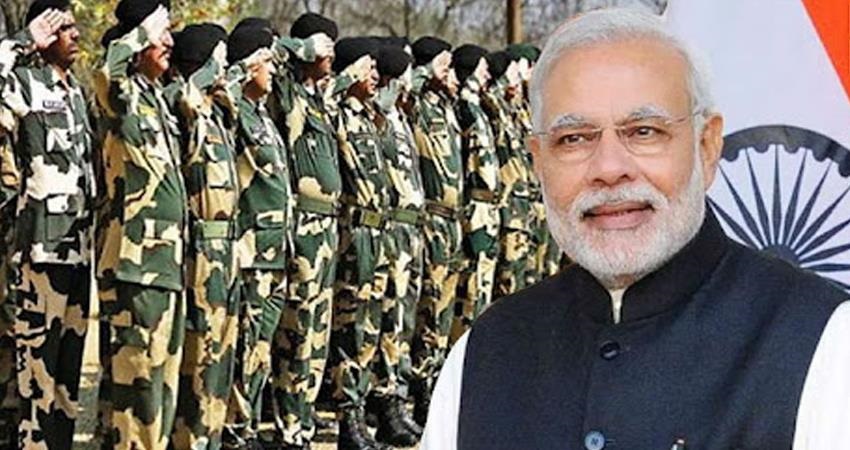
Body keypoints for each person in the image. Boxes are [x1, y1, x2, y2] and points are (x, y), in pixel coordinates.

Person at [421, 8, 850, 450]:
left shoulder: (825, 345)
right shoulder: (485, 354)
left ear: (707, 147)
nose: (609, 168)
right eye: (574, 138)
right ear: (538, 161)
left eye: (644, 132)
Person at [0, 2, 93, 448]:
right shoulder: (23, 83)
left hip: (79, 249)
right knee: (37, 376)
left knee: (67, 382)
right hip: (41, 250)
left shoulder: (76, 93)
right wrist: (21, 41)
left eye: (74, 26)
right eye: (62, 28)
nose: (74, 35)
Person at [93, 1, 186, 448]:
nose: (169, 42)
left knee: (162, 385)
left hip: (166, 263)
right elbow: (107, 72)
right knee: (139, 383)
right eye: (161, 33)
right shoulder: (123, 96)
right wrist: (142, 30)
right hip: (136, 264)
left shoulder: (156, 101)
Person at [265, 12, 341, 449]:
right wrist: (299, 48)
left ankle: (305, 420)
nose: (330, 51)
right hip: (304, 227)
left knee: (318, 330)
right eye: (323, 44)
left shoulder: (318, 100)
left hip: (327, 227)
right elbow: (269, 55)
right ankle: (289, 426)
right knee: (297, 328)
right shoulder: (289, 92)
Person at [167, 23, 243, 450]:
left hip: (226, 250)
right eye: (221, 59)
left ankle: (209, 439)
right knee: (199, 355)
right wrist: (195, 85)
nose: (227, 69)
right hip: (200, 251)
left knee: (220, 360)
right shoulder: (183, 107)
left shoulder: (216, 113)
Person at [224, 22, 293, 448]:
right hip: (250, 251)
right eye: (267, 61)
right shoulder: (235, 110)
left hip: (274, 250)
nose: (274, 70)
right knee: (245, 344)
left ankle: (247, 426)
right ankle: (235, 431)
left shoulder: (264, 114)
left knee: (260, 349)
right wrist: (241, 68)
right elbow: (215, 93)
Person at [325, 36, 392, 450]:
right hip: (354, 235)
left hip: (378, 232)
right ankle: (347, 416)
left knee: (370, 325)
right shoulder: (336, 112)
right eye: (367, 67)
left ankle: (362, 407)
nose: (375, 75)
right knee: (350, 327)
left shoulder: (369, 117)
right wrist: (343, 79)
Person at [367, 40, 426, 446]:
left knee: (404, 319)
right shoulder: (377, 118)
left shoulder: (402, 116)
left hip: (412, 230)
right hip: (388, 232)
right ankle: (385, 403)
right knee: (386, 319)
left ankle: (399, 398)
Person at [407, 36, 464, 426]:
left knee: (444, 310)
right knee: (429, 308)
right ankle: (421, 387)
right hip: (432, 220)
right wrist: (425, 71)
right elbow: (405, 88)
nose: (450, 72)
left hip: (453, 220)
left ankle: (435, 382)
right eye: (444, 65)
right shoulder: (417, 105)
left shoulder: (445, 106)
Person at [449, 44, 501, 344]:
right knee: (470, 289)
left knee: (483, 286)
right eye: (482, 70)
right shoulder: (464, 109)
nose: (487, 76)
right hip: (475, 208)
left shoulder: (480, 109)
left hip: (489, 208)